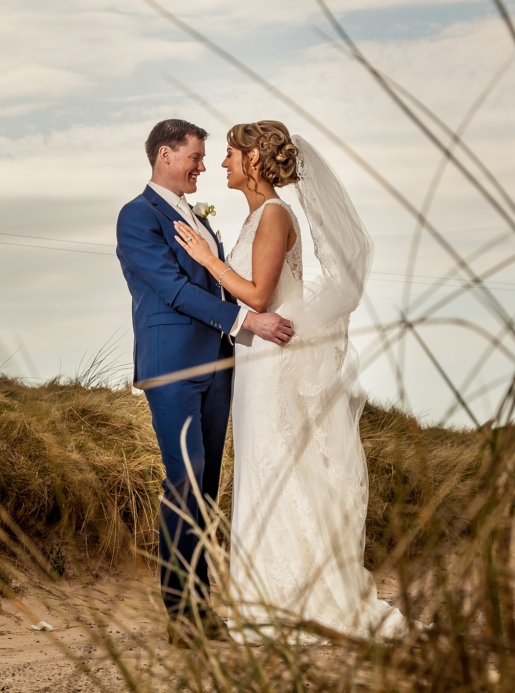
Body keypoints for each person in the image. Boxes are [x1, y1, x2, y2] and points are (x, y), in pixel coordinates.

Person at [173, 120, 420, 642]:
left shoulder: (274, 216)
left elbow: (260, 297)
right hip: (258, 356)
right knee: (267, 464)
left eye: (231, 155)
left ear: (254, 163)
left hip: (271, 360)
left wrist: (207, 260)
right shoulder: (258, 219)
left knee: (273, 463)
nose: (223, 164)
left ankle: (288, 597)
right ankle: (266, 590)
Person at [115, 119, 294, 648]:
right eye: (194, 156)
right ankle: (180, 613)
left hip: (217, 366)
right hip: (172, 365)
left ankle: (200, 601)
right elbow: (170, 289)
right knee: (185, 482)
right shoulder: (137, 216)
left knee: (206, 489)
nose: (202, 167)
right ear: (165, 154)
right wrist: (246, 321)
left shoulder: (198, 218)